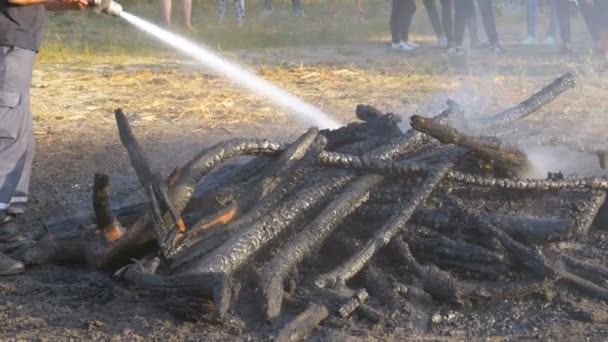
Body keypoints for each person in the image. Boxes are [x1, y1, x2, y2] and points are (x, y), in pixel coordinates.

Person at [0, 0, 89, 276]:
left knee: (20, 142)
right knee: (5, 140)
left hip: (16, 43)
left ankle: (4, 230)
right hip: (6, 44)